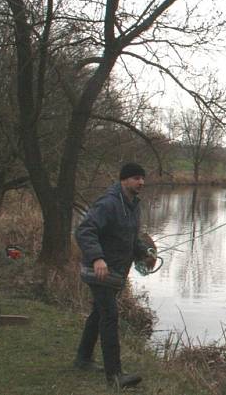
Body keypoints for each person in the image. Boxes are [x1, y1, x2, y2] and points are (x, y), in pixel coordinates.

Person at [74, 162, 155, 389]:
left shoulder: (132, 205)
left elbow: (129, 238)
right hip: (98, 271)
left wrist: (144, 252)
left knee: (99, 314)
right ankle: (115, 376)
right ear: (124, 180)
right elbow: (85, 230)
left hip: (115, 273)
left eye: (142, 178)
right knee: (109, 316)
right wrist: (98, 258)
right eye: (136, 178)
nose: (141, 182)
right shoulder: (109, 203)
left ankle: (82, 358)